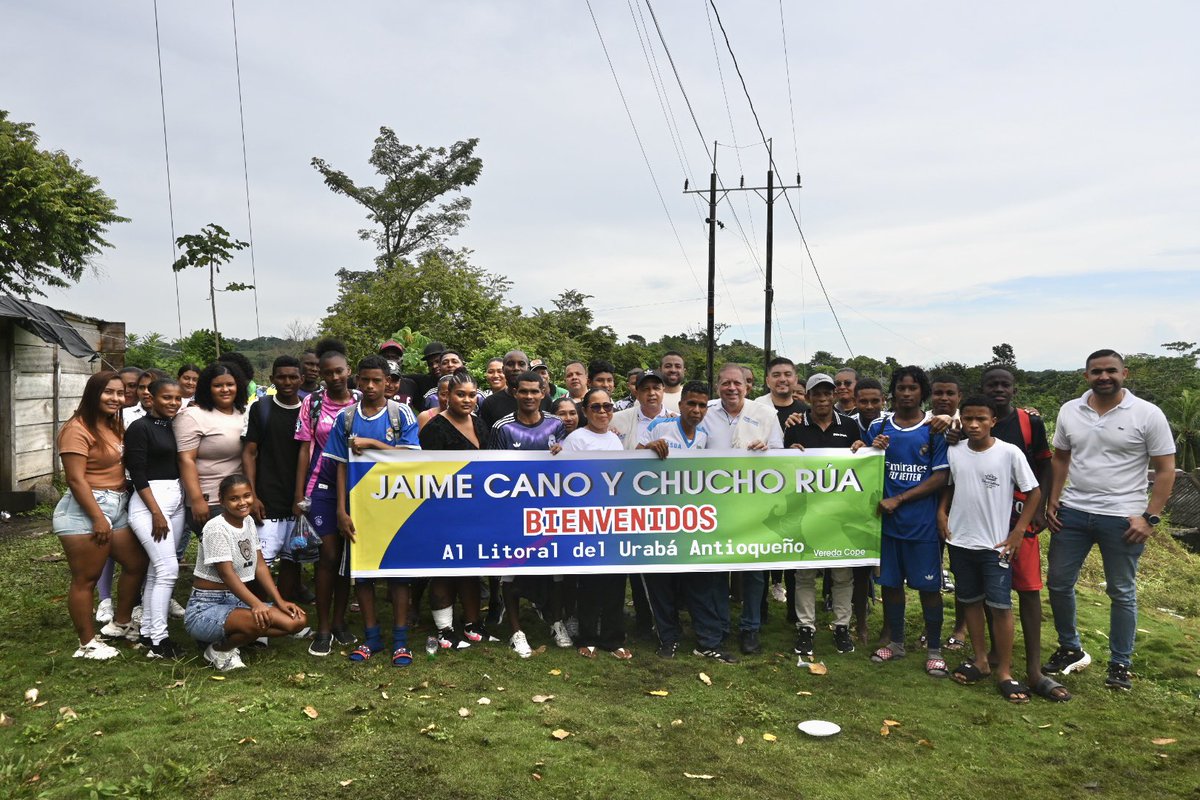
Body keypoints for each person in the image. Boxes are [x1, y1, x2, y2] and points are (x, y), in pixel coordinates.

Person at [1045, 349, 1176, 691]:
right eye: (1096, 371)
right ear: (1086, 375)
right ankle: (1070, 647)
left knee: (1121, 592)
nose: (1104, 376)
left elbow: (1165, 469)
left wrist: (1151, 518)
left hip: (1123, 517)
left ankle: (1120, 663)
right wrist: (1053, 498)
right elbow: (1061, 458)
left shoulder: (1147, 414)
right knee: (1058, 583)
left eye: (1111, 371)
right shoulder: (1070, 410)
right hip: (1073, 512)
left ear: (1124, 374)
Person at [940, 395, 1042, 703]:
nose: (973, 424)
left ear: (992, 421)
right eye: (968, 418)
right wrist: (941, 513)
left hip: (996, 545)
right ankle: (981, 660)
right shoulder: (954, 451)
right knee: (970, 601)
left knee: (1000, 607)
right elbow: (950, 485)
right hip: (959, 541)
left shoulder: (1009, 453)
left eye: (981, 418)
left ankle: (1005, 672)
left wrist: (1018, 531)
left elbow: (1034, 491)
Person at [976, 366, 1067, 701]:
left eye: (1005, 384)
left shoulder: (1030, 423)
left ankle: (1034, 670)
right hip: (984, 521)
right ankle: (996, 658)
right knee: (989, 592)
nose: (998, 389)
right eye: (992, 384)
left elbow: (1044, 464)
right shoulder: (972, 421)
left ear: (1014, 389)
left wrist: (1041, 507)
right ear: (982, 388)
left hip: (1020, 517)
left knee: (1028, 590)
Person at [328, 355, 422, 666]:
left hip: (396, 510)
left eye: (377, 381)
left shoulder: (401, 414)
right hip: (360, 509)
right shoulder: (346, 418)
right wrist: (341, 510)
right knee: (364, 575)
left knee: (397, 576)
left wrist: (371, 444)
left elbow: (410, 459)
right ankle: (372, 638)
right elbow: (341, 468)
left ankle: (400, 640)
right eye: (365, 380)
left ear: (388, 383)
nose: (370, 386)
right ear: (357, 380)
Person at [857, 366, 950, 678]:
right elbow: (863, 466)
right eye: (901, 388)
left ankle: (934, 650)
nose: (906, 393)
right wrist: (865, 448)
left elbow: (941, 476)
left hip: (921, 524)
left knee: (928, 587)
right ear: (892, 392)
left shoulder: (933, 428)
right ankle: (896, 643)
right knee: (891, 585)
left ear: (921, 392)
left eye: (912, 388)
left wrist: (900, 499)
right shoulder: (880, 426)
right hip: (886, 524)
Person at [640, 381, 738, 664]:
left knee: (700, 582)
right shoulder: (660, 427)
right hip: (659, 521)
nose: (696, 410)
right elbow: (631, 457)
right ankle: (668, 639)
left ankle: (707, 643)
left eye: (702, 405)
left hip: (694, 521)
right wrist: (647, 447)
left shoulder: (707, 434)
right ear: (680, 404)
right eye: (691, 404)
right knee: (661, 583)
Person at [53, 371, 149, 659]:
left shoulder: (112, 424)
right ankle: (87, 643)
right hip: (86, 508)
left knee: (136, 562)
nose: (116, 398)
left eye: (120, 393)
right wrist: (97, 517)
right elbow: (75, 479)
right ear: (93, 393)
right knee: (86, 577)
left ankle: (119, 623)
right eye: (109, 392)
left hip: (116, 503)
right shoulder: (77, 428)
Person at [184, 474, 307, 671]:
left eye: (247, 496)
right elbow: (227, 575)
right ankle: (219, 649)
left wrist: (279, 600)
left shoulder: (247, 521)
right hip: (206, 607)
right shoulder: (216, 528)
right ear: (222, 500)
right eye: (234, 498)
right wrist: (257, 604)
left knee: (296, 621)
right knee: (260, 621)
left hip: (236, 601)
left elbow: (259, 565)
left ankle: (234, 633)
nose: (242, 502)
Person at [704, 363, 784, 655]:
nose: (732, 388)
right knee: (716, 569)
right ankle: (720, 626)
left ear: (747, 386)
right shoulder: (707, 413)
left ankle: (750, 628)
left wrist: (768, 450)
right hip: (714, 504)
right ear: (718, 386)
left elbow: (780, 453)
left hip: (753, 504)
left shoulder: (765, 414)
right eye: (726, 383)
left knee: (753, 570)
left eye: (737, 383)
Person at [488, 371, 567, 657]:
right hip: (513, 511)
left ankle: (557, 622)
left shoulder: (557, 425)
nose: (530, 397)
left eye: (536, 391)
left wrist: (563, 452)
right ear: (515, 392)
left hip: (550, 509)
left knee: (556, 568)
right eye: (524, 392)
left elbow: (568, 468)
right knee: (511, 571)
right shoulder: (502, 428)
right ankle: (515, 630)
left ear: (544, 392)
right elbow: (492, 473)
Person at [783, 373, 860, 658]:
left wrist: (861, 450)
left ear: (835, 396)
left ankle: (841, 626)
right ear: (808, 397)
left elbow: (862, 464)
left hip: (840, 513)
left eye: (828, 393)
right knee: (804, 574)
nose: (823, 399)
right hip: (805, 511)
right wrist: (787, 453)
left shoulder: (850, 426)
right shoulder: (794, 426)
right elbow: (783, 468)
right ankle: (806, 627)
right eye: (817, 394)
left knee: (842, 574)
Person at [419, 369, 493, 646]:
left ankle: (473, 623)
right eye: (460, 394)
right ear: (447, 396)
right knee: (444, 568)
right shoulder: (435, 428)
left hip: (476, 511)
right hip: (444, 510)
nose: (466, 399)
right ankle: (444, 628)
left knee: (471, 568)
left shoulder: (480, 423)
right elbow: (428, 473)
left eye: (472, 395)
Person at [294, 341, 359, 656]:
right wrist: (299, 495)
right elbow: (304, 449)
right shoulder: (312, 403)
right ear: (319, 374)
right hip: (321, 488)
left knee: (347, 559)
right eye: (327, 372)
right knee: (327, 557)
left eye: (339, 371)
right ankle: (321, 628)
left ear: (349, 371)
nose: (334, 377)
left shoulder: (362, 401)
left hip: (357, 489)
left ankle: (339, 622)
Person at [559, 388, 631, 660]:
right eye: (596, 407)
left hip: (613, 521)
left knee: (615, 582)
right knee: (589, 583)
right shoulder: (576, 439)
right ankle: (587, 637)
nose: (603, 412)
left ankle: (613, 639)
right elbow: (566, 480)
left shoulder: (615, 439)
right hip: (586, 521)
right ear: (585, 411)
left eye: (608, 407)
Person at [125, 377, 187, 658]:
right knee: (168, 570)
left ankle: (150, 633)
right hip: (150, 502)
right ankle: (161, 640)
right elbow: (137, 472)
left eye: (177, 398)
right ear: (151, 397)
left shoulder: (176, 425)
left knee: (156, 571)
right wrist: (156, 512)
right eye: (167, 398)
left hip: (175, 500)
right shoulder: (140, 428)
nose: (173, 403)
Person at [242, 356, 307, 605]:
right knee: (261, 563)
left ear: (302, 379)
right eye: (281, 377)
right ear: (272, 380)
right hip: (267, 500)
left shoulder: (309, 409)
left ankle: (284, 614)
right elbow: (249, 451)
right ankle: (257, 619)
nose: (287, 382)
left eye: (293, 377)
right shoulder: (262, 408)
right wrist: (252, 495)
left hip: (299, 500)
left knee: (293, 561)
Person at [177, 363, 249, 540]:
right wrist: (196, 499)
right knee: (225, 559)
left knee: (234, 559)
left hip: (241, 500)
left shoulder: (245, 413)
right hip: (211, 501)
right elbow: (186, 460)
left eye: (230, 384)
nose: (225, 389)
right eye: (217, 385)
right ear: (207, 388)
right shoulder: (192, 416)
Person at [479, 350, 546, 430]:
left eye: (521, 364)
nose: (516, 368)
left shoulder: (544, 399)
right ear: (503, 369)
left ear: (528, 368)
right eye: (510, 364)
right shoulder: (490, 403)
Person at [610, 370, 674, 450]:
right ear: (637, 394)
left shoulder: (677, 420)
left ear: (663, 390)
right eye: (645, 389)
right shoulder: (616, 420)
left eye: (656, 388)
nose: (651, 393)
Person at [755, 357, 808, 426]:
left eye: (787, 375)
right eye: (776, 375)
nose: (782, 379)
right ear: (767, 381)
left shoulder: (806, 413)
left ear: (795, 380)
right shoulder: (755, 408)